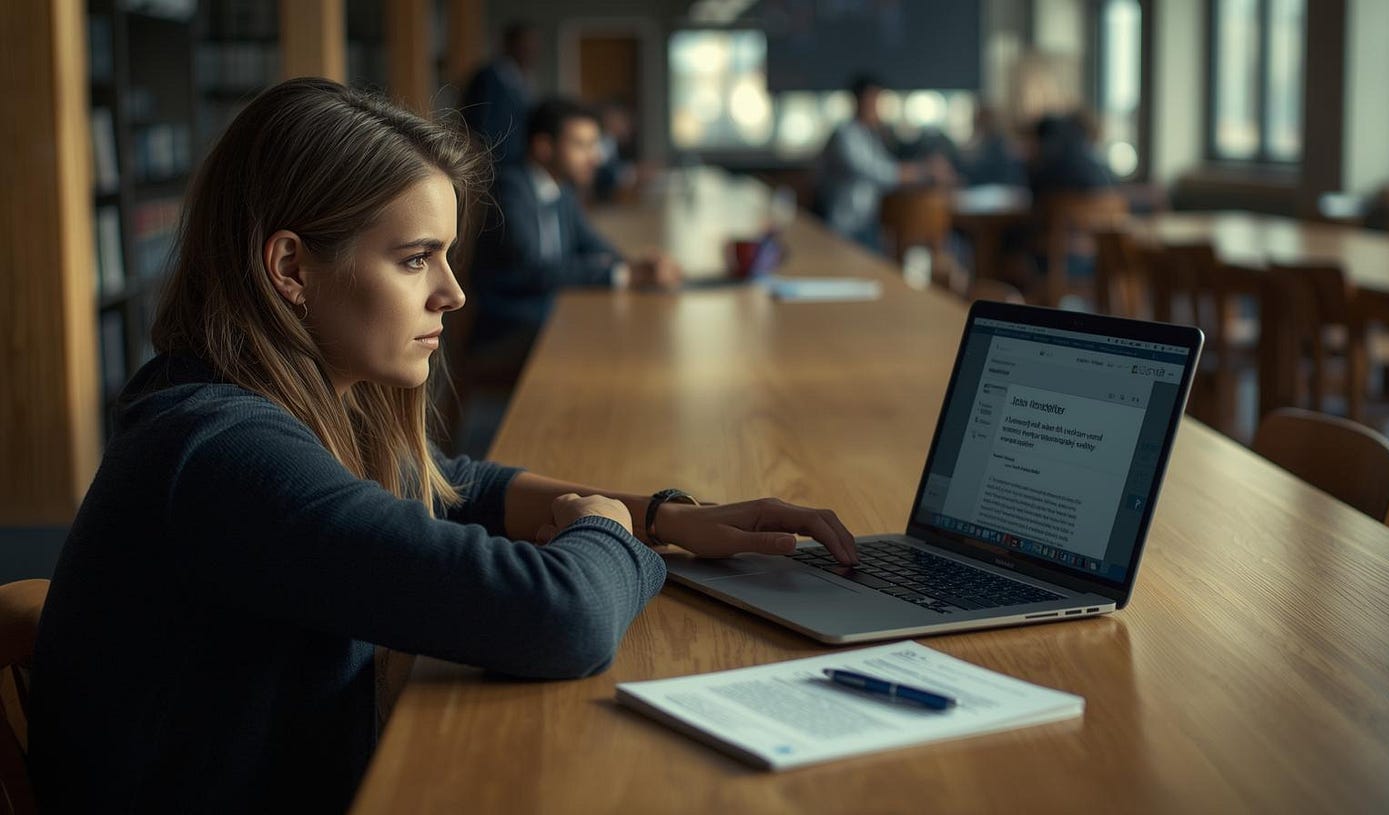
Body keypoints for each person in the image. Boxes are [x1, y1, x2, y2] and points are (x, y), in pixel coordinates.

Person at [28, 78, 856, 814]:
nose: (453, 291)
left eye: (447, 254)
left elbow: (455, 483)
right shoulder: (220, 456)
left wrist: (666, 516)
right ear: (290, 267)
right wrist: (605, 529)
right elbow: (557, 618)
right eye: (415, 257)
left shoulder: (269, 403)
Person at [472, 96, 680, 353]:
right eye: (581, 145)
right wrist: (620, 275)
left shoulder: (562, 189)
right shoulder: (511, 190)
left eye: (594, 145)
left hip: (549, 305)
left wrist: (633, 265)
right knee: (610, 334)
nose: (594, 158)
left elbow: (591, 243)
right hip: (511, 317)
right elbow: (535, 269)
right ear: (543, 147)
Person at [814, 74, 952, 249]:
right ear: (859, 101)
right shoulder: (845, 135)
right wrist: (925, 171)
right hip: (843, 224)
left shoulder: (871, 136)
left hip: (868, 223)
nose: (879, 108)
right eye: (874, 101)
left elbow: (889, 167)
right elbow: (879, 172)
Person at [461, 21, 539, 164]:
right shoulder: (489, 76)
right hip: (493, 159)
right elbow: (474, 121)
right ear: (509, 45)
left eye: (533, 44)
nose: (530, 50)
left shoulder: (524, 79)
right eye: (524, 44)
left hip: (517, 159)